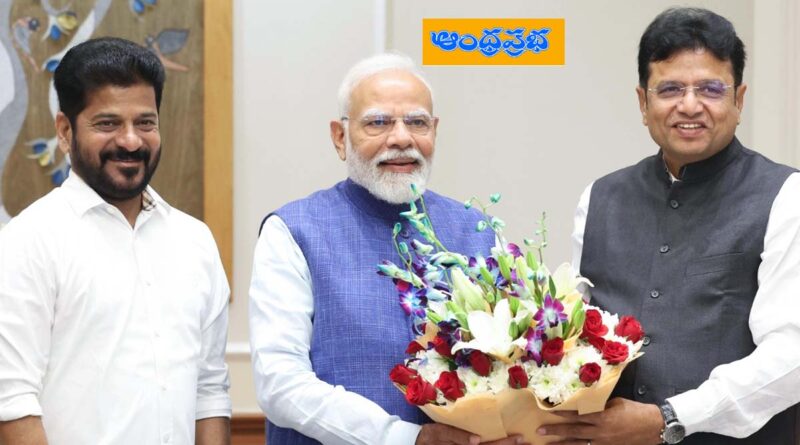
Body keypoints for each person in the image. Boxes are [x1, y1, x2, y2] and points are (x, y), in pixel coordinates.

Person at [540, 7, 800, 445]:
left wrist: (670, 418)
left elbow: (791, 354)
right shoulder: (600, 197)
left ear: (739, 100)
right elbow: (574, 335)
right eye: (670, 89)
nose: (690, 105)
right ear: (644, 103)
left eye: (711, 89)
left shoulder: (786, 196)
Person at [249, 53, 526, 445]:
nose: (401, 138)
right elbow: (281, 386)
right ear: (340, 137)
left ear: (435, 131)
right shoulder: (293, 231)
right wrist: (407, 439)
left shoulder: (479, 232)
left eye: (417, 122)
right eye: (378, 122)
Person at [0, 37, 232, 445]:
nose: (131, 141)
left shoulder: (194, 241)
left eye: (145, 123)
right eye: (107, 124)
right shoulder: (27, 242)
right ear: (65, 131)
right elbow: (12, 403)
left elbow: (209, 391)